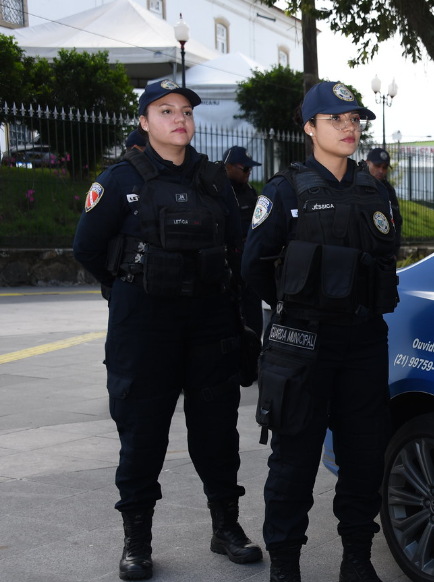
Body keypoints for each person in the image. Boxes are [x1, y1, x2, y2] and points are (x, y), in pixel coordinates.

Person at [72, 79, 262, 580]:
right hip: (145, 329)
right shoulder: (118, 180)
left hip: (209, 326)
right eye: (165, 110)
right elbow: (87, 249)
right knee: (142, 438)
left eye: (185, 111)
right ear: (144, 121)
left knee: (218, 435)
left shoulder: (216, 181)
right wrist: (128, 286)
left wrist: (245, 327)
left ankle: (226, 529)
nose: (179, 118)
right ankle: (137, 542)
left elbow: (238, 254)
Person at [241, 81, 399, 582]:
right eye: (335, 119)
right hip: (302, 344)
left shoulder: (377, 190)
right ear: (309, 128)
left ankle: (356, 558)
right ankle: (285, 565)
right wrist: (298, 306)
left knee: (363, 454)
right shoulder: (284, 190)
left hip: (363, 340)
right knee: (295, 458)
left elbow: (385, 258)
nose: (349, 126)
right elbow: (254, 268)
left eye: (354, 118)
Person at [223, 145, 265, 337]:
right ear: (229, 166)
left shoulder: (249, 190)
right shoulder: (219, 191)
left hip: (250, 258)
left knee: (253, 306)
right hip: (229, 260)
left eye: (251, 169)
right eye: (245, 168)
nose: (249, 173)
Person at [364, 147, 402, 253]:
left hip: (384, 251)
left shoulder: (388, 190)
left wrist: (394, 251)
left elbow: (396, 221)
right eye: (377, 166)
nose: (381, 171)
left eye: (384, 167)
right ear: (367, 163)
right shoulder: (356, 186)